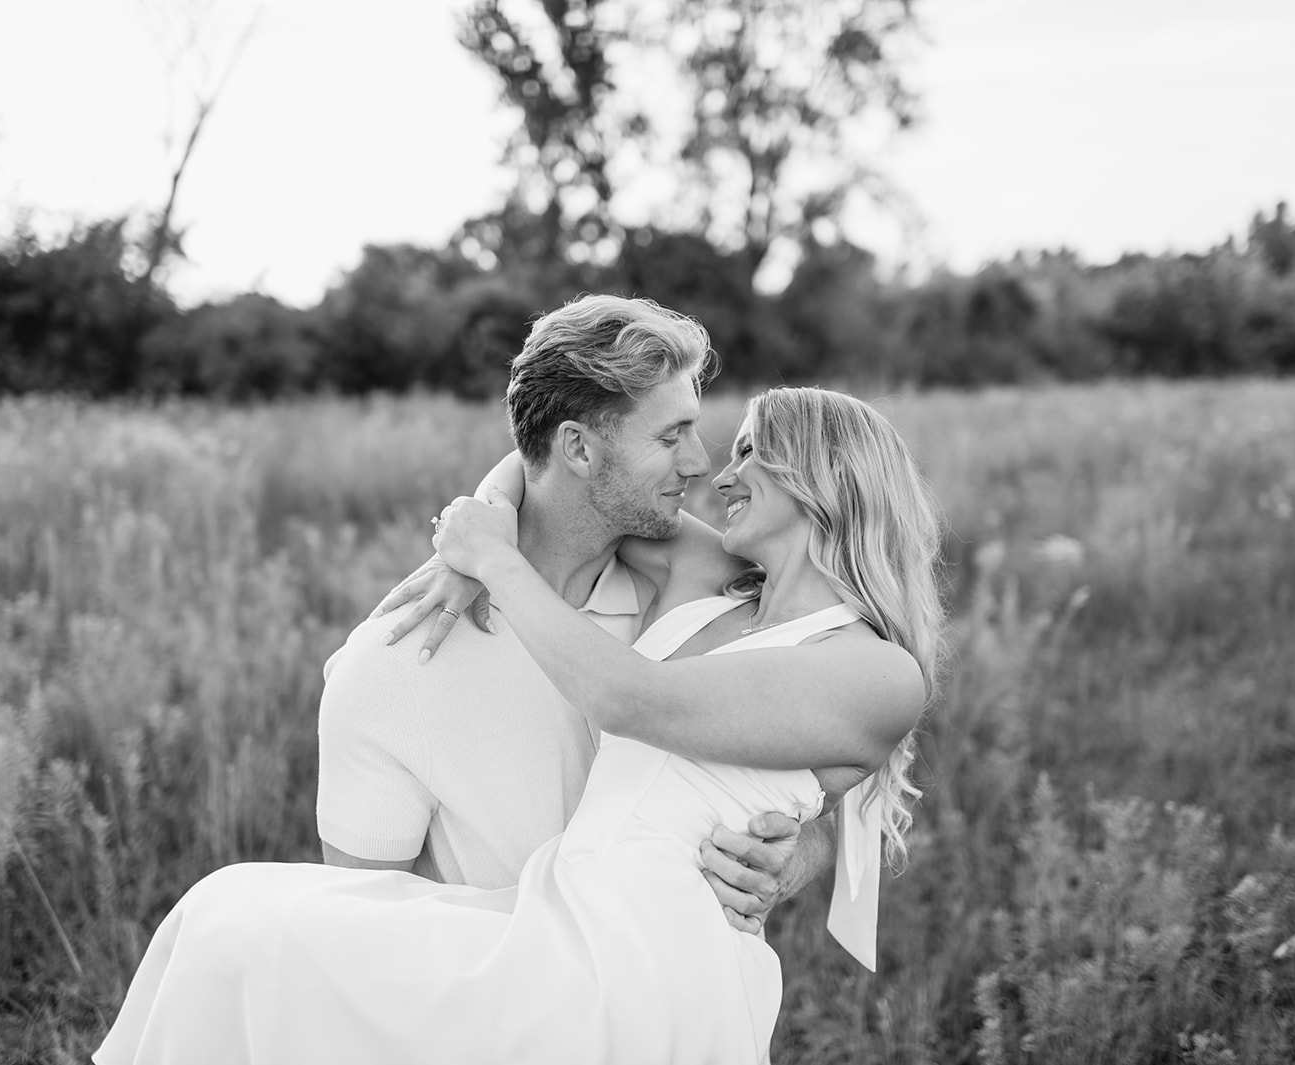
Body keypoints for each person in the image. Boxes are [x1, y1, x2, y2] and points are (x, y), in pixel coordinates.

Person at [94, 385, 944, 1065]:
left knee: (259, 938)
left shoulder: (878, 672)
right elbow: (562, 471)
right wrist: (470, 531)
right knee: (228, 917)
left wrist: (492, 561)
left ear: (822, 473)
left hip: (649, 958)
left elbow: (632, 701)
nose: (720, 473)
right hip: (558, 905)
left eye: (755, 451)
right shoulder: (711, 576)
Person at [317, 294, 833, 929]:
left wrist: (787, 859)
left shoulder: (711, 607)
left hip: (689, 1013)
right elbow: (355, 935)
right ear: (580, 450)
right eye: (671, 436)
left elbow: (816, 804)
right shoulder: (395, 662)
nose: (702, 464)